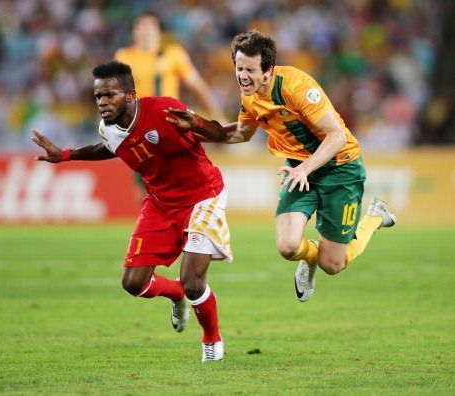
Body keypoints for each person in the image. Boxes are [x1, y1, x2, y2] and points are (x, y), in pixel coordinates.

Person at [165, 30, 396, 302]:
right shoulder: (250, 95)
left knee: (333, 264)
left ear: (268, 71)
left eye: (249, 69)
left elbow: (337, 136)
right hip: (300, 168)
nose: (242, 75)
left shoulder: (297, 88)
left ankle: (376, 216)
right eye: (239, 68)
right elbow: (240, 133)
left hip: (340, 168)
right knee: (287, 247)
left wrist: (305, 169)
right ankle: (308, 260)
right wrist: (196, 128)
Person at [31, 61, 232, 361]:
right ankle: (175, 294)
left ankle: (212, 340)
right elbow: (110, 147)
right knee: (133, 283)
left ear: (130, 95)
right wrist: (66, 154)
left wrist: (198, 125)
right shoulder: (108, 129)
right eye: (98, 96)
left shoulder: (164, 110)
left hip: (202, 198)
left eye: (109, 95)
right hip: (160, 203)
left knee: (193, 282)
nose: (102, 102)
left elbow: (220, 134)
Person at [115, 11, 226, 203]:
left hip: (172, 126)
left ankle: (191, 217)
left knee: (187, 177)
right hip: (139, 129)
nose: (145, 31)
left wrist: (218, 115)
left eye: (150, 27)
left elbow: (197, 86)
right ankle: (155, 227)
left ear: (158, 31)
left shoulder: (174, 54)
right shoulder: (124, 57)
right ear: (134, 32)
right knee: (145, 190)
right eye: (141, 27)